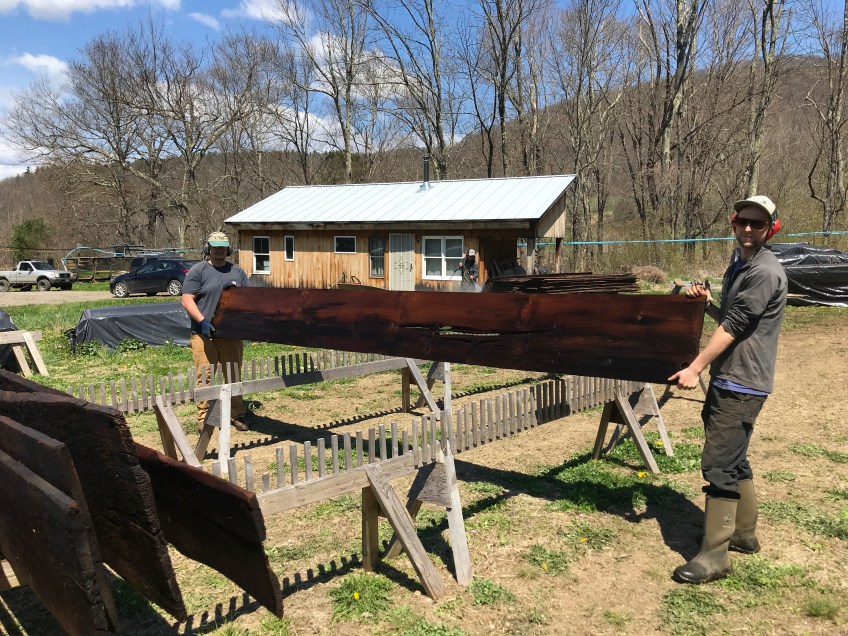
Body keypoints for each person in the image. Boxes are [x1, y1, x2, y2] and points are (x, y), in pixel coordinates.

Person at [668, 195, 787, 584]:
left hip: (742, 383)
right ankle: (743, 533)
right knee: (735, 458)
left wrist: (695, 367)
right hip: (730, 377)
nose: (748, 229)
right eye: (743, 222)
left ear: (771, 229)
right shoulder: (740, 264)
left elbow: (735, 326)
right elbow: (733, 318)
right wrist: (708, 304)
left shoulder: (764, 271)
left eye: (758, 223)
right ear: (734, 224)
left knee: (719, 464)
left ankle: (714, 556)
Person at [182, 231, 251, 432]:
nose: (219, 251)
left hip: (230, 334)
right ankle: (204, 417)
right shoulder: (199, 270)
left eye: (222, 248)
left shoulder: (237, 272)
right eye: (215, 248)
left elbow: (247, 298)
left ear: (228, 249)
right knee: (205, 376)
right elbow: (187, 299)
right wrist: (202, 321)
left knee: (233, 374)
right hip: (203, 334)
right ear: (208, 249)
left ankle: (237, 414)